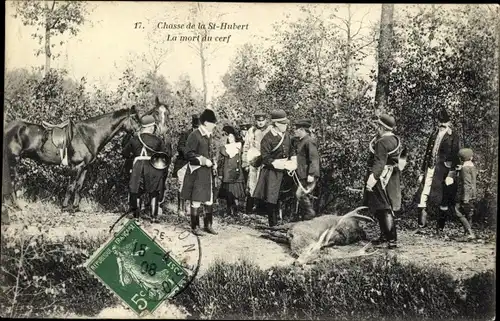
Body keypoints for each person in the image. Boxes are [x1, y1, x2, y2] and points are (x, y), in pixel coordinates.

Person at [415, 108, 460, 235]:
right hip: (430, 168)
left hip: (444, 170)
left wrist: (451, 174)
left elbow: (456, 155)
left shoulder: (453, 136)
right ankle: (421, 226)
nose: (441, 125)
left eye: (443, 123)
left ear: (448, 122)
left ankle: (439, 228)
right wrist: (422, 172)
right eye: (439, 122)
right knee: (423, 193)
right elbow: (427, 154)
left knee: (443, 198)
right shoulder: (434, 134)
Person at [363, 114, 403, 249]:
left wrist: (371, 180)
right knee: (383, 207)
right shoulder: (395, 140)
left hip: (381, 178)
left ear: (382, 127)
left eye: (378, 126)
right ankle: (385, 236)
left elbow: (379, 163)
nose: (376, 129)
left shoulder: (382, 142)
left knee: (384, 208)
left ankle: (391, 239)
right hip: (391, 176)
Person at [122, 115, 168, 222]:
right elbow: (165, 155)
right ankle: (153, 217)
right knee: (154, 192)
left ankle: (136, 216)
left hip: (138, 166)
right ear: (151, 127)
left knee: (136, 191)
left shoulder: (134, 139)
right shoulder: (158, 140)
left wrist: (133, 157)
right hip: (153, 166)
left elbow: (124, 153)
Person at [181, 108, 218, 236]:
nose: (215, 125)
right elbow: (188, 154)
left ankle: (208, 225)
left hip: (207, 172)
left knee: (209, 199)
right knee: (196, 200)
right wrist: (203, 161)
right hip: (197, 172)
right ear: (206, 123)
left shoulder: (208, 135)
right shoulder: (194, 135)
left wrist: (213, 162)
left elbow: (210, 152)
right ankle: (195, 226)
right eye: (213, 123)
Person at [253, 109, 294, 227]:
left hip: (285, 171)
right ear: (276, 124)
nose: (286, 126)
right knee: (271, 198)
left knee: (284, 196)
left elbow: (291, 150)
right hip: (272, 172)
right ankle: (273, 224)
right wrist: (277, 163)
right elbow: (265, 158)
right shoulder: (268, 138)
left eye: (286, 124)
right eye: (283, 124)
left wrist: (293, 160)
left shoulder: (286, 135)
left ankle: (284, 221)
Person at [242, 112, 271, 214]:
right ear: (256, 121)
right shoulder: (252, 131)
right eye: (258, 121)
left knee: (265, 184)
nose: (260, 123)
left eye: (262, 121)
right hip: (254, 160)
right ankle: (249, 208)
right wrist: (245, 163)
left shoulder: (270, 130)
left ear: (266, 120)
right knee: (252, 184)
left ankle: (262, 209)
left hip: (266, 161)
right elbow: (246, 147)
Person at [292, 119, 320, 221]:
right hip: (302, 174)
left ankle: (310, 216)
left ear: (302, 130)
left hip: (308, 175)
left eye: (296, 129)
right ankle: (304, 218)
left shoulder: (309, 141)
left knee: (300, 194)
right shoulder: (301, 141)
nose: (295, 131)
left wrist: (311, 174)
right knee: (301, 195)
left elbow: (314, 158)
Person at [173, 114, 200, 215]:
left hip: (196, 164)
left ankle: (189, 207)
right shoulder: (185, 134)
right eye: (196, 127)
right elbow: (180, 147)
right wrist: (188, 154)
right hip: (184, 163)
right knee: (182, 184)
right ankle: (180, 208)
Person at [217, 125, 246, 217]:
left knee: (236, 192)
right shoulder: (224, 148)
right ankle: (229, 210)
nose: (230, 138)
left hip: (237, 173)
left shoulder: (239, 146)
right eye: (228, 137)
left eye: (232, 136)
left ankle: (236, 210)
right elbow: (221, 162)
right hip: (227, 173)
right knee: (228, 193)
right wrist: (220, 173)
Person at [450, 148, 477, 240]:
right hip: (472, 193)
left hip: (466, 194)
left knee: (457, 211)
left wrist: (465, 197)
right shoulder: (472, 167)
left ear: (461, 159)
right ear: (470, 158)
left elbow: (466, 183)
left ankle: (469, 232)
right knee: (469, 213)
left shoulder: (464, 169)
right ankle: (468, 233)